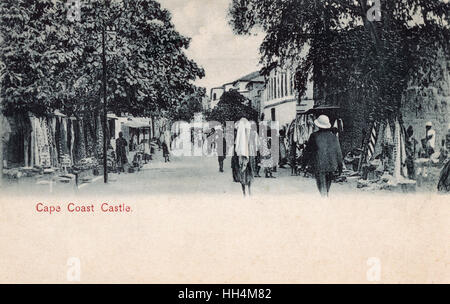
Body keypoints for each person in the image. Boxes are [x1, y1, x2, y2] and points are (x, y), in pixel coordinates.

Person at [303, 115, 343, 197]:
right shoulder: (333, 136)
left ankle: (324, 202)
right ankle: (325, 199)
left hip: (319, 165)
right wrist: (340, 167)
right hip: (332, 165)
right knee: (327, 188)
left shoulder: (314, 136)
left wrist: (304, 164)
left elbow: (308, 152)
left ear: (318, 125)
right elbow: (338, 152)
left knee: (321, 187)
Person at [233, 118, 254, 196]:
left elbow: (237, 145)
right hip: (246, 155)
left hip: (243, 155)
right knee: (247, 173)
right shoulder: (245, 133)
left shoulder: (241, 134)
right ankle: (248, 191)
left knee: (244, 173)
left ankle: (246, 192)